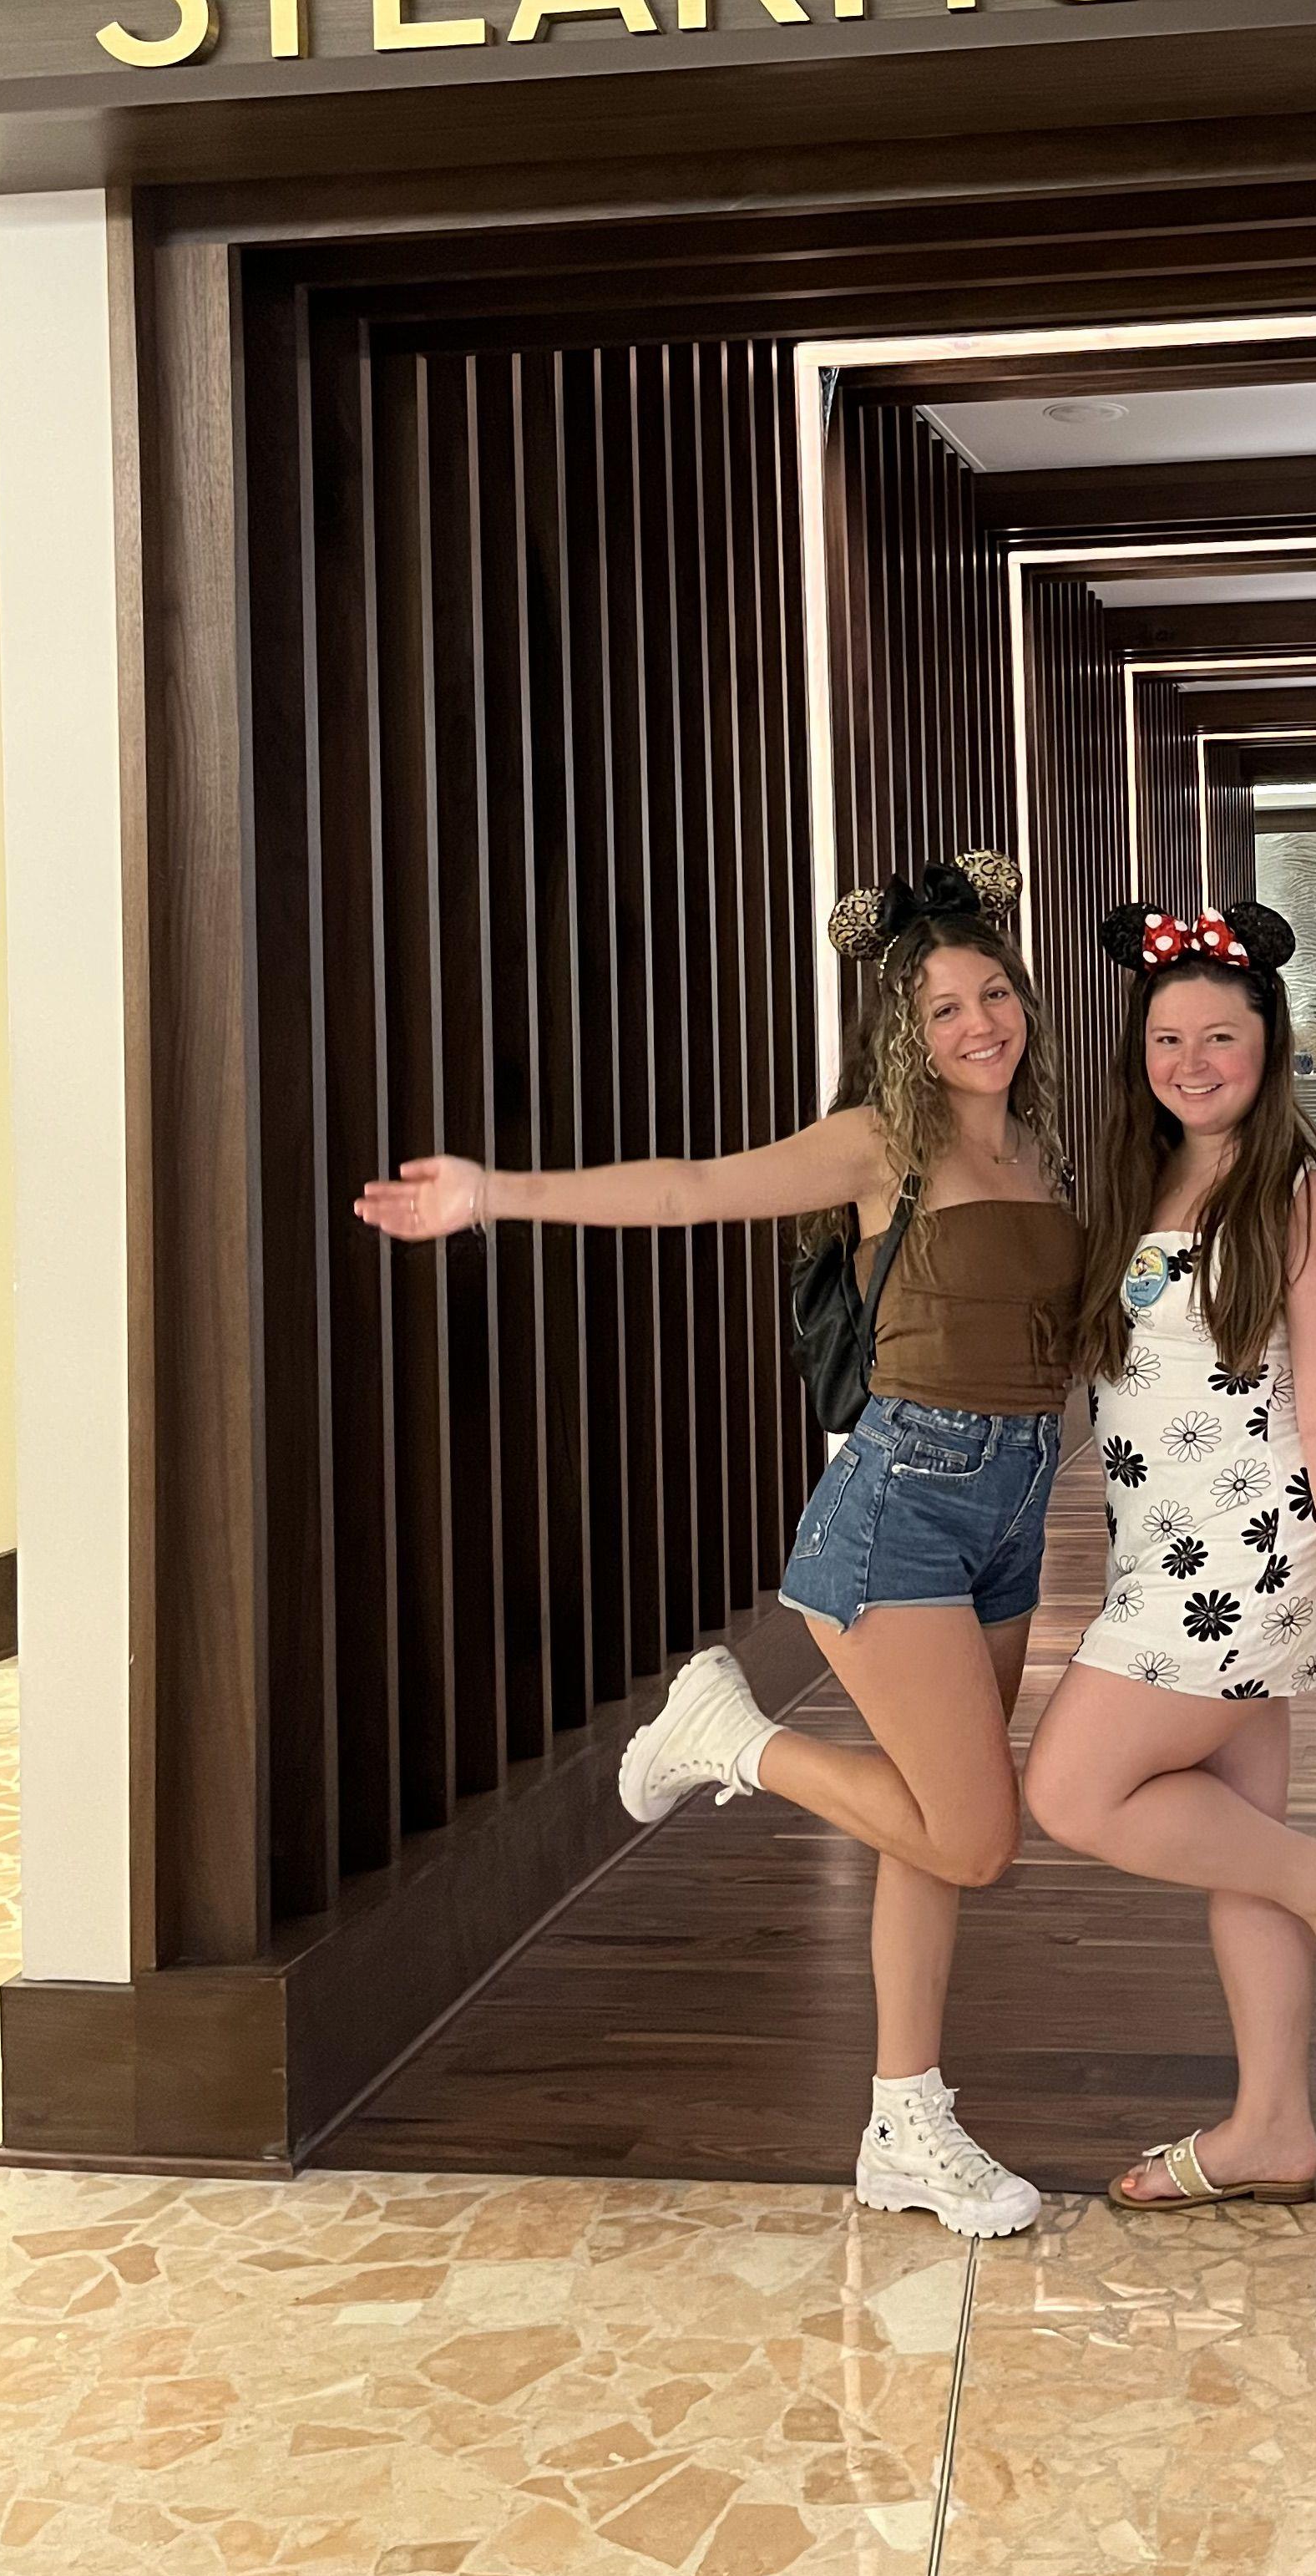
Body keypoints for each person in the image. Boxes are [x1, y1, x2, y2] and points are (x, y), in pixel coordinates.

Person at [352, 849, 1083, 2239]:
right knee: (977, 1836)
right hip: (898, 1513)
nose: (978, 1023)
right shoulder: (881, 1141)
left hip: (1009, 1514)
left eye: (993, 994)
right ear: (905, 1030)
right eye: (943, 1007)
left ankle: (904, 2121)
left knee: (931, 1827)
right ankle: (730, 1737)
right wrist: (497, 1192)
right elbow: (690, 1186)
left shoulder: (1042, 1149)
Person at [1021, 900, 1316, 2213]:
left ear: (1271, 1045)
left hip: (1247, 1564)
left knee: (1071, 1792)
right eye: (1168, 1038)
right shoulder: (1142, 1182)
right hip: (1160, 1550)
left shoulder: (1304, 1200)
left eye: (1221, 1035)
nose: (1193, 1061)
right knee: (1237, 1838)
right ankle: (1272, 2127)